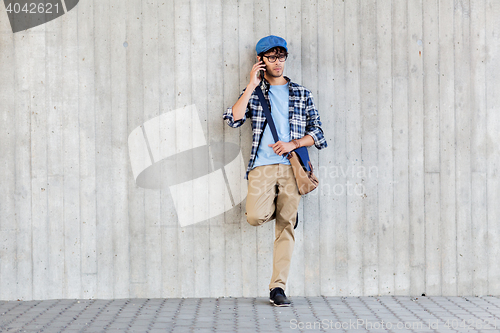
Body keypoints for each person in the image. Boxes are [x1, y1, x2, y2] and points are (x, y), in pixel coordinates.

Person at [223, 35, 327, 306]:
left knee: (286, 228)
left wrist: (293, 143)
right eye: (271, 58)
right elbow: (232, 119)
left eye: (281, 57)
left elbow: (318, 132)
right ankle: (281, 210)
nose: (277, 62)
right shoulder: (255, 93)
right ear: (261, 61)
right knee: (255, 216)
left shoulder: (302, 93)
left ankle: (277, 288)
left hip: (292, 169)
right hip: (262, 167)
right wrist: (250, 85)